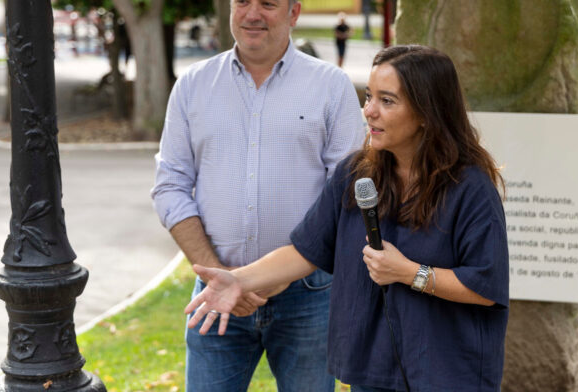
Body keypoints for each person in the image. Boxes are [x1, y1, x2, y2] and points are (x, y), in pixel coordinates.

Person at [185, 45, 510, 392]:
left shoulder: (470, 187)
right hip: (374, 371)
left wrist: (409, 273)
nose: (369, 111)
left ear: (426, 113)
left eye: (387, 101)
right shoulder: (356, 175)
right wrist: (239, 281)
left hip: (448, 373)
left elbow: (484, 287)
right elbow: (305, 251)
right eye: (369, 97)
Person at [151, 0, 365, 392]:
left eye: (268, 3)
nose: (252, 14)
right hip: (214, 294)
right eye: (242, 1)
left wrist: (263, 280)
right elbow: (170, 185)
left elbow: (346, 196)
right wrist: (222, 278)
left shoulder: (331, 87)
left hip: (309, 297)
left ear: (294, 12)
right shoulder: (192, 85)